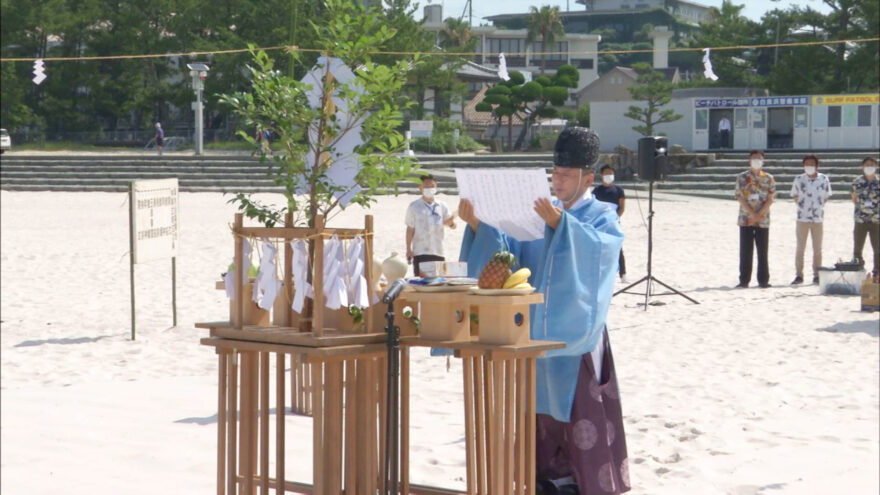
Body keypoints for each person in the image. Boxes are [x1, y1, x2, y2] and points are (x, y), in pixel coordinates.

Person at [458, 127, 629, 494]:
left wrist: (560, 225)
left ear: (588, 178)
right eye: (555, 174)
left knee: (580, 409)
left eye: (567, 175)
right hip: (533, 325)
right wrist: (477, 223)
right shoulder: (538, 212)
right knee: (538, 411)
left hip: (575, 328)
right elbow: (508, 256)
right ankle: (548, 481)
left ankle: (588, 482)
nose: (559, 181)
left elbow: (601, 252)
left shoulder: (601, 213)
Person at [735, 150, 775, 288]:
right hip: (746, 218)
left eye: (759, 159)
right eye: (754, 159)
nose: (756, 161)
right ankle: (744, 280)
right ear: (749, 161)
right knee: (745, 250)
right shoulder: (741, 177)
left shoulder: (769, 178)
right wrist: (752, 214)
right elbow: (739, 197)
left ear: (763, 161)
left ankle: (763, 280)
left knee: (762, 250)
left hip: (763, 219)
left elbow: (770, 199)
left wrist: (759, 215)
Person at [790, 155, 831, 285]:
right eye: (806, 164)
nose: (809, 166)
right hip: (802, 218)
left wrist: (817, 207)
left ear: (817, 165)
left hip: (818, 219)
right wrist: (803, 207)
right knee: (800, 248)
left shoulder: (824, 179)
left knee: (817, 249)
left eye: (811, 164)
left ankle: (817, 275)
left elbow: (826, 196)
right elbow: (794, 195)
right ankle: (799, 275)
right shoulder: (798, 179)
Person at [405, 174, 456, 277]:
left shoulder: (442, 206)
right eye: (426, 187)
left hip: (438, 250)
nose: (429, 189)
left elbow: (452, 225)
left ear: (436, 188)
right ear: (420, 188)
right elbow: (410, 229)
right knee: (422, 281)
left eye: (432, 186)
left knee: (438, 281)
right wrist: (408, 249)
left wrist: (451, 224)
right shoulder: (414, 206)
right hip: (421, 251)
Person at [594, 164, 627, 282]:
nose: (609, 176)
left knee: (618, 247)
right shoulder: (597, 191)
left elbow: (622, 207)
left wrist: (614, 218)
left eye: (611, 173)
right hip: (600, 222)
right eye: (607, 173)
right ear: (602, 175)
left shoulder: (618, 190)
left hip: (614, 221)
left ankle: (623, 273)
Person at [851, 157, 879, 280]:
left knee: (878, 248)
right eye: (867, 164)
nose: (869, 167)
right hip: (860, 220)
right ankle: (858, 270)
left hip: (877, 220)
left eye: (872, 164)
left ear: (876, 166)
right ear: (862, 166)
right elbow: (854, 199)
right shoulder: (856, 182)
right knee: (858, 247)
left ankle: (877, 272)